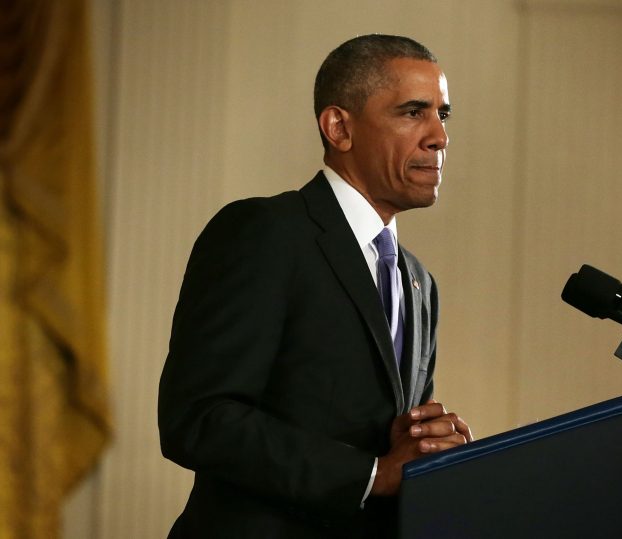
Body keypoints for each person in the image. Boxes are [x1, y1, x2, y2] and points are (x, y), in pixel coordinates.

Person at [158, 34, 472, 538]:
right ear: (339, 127)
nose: (439, 136)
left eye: (443, 114)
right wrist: (374, 474)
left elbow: (386, 444)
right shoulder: (266, 232)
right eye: (414, 112)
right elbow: (198, 418)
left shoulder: (418, 282)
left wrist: (425, 447)